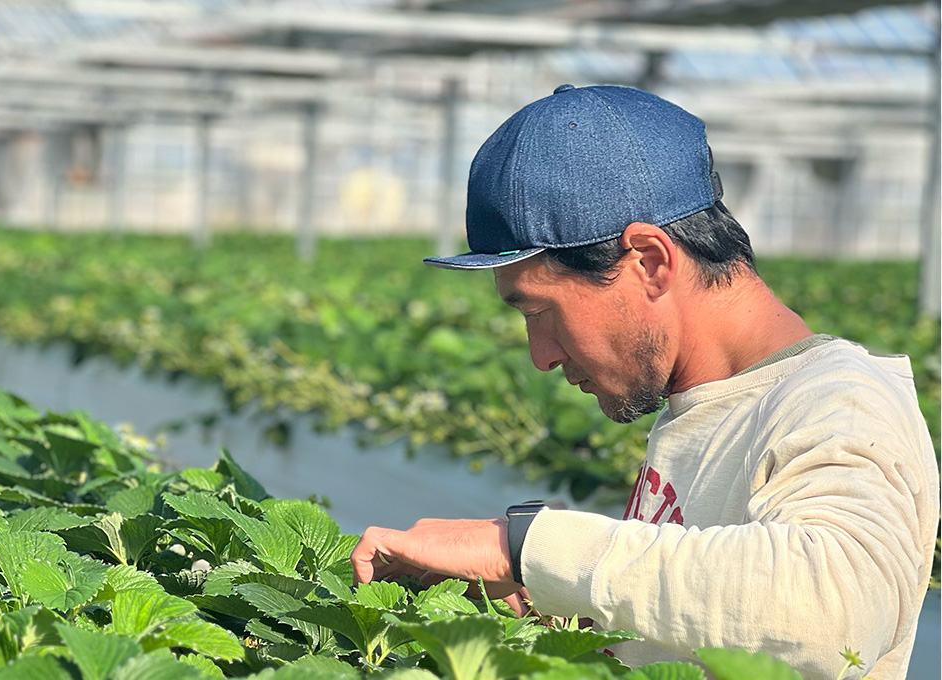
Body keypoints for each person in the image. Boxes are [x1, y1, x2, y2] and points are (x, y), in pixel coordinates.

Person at [349, 84, 940, 680]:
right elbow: (706, 616)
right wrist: (553, 599)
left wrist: (525, 548)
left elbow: (831, 609)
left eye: (540, 312)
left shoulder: (840, 402)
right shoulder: (708, 404)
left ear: (650, 262)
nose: (540, 357)